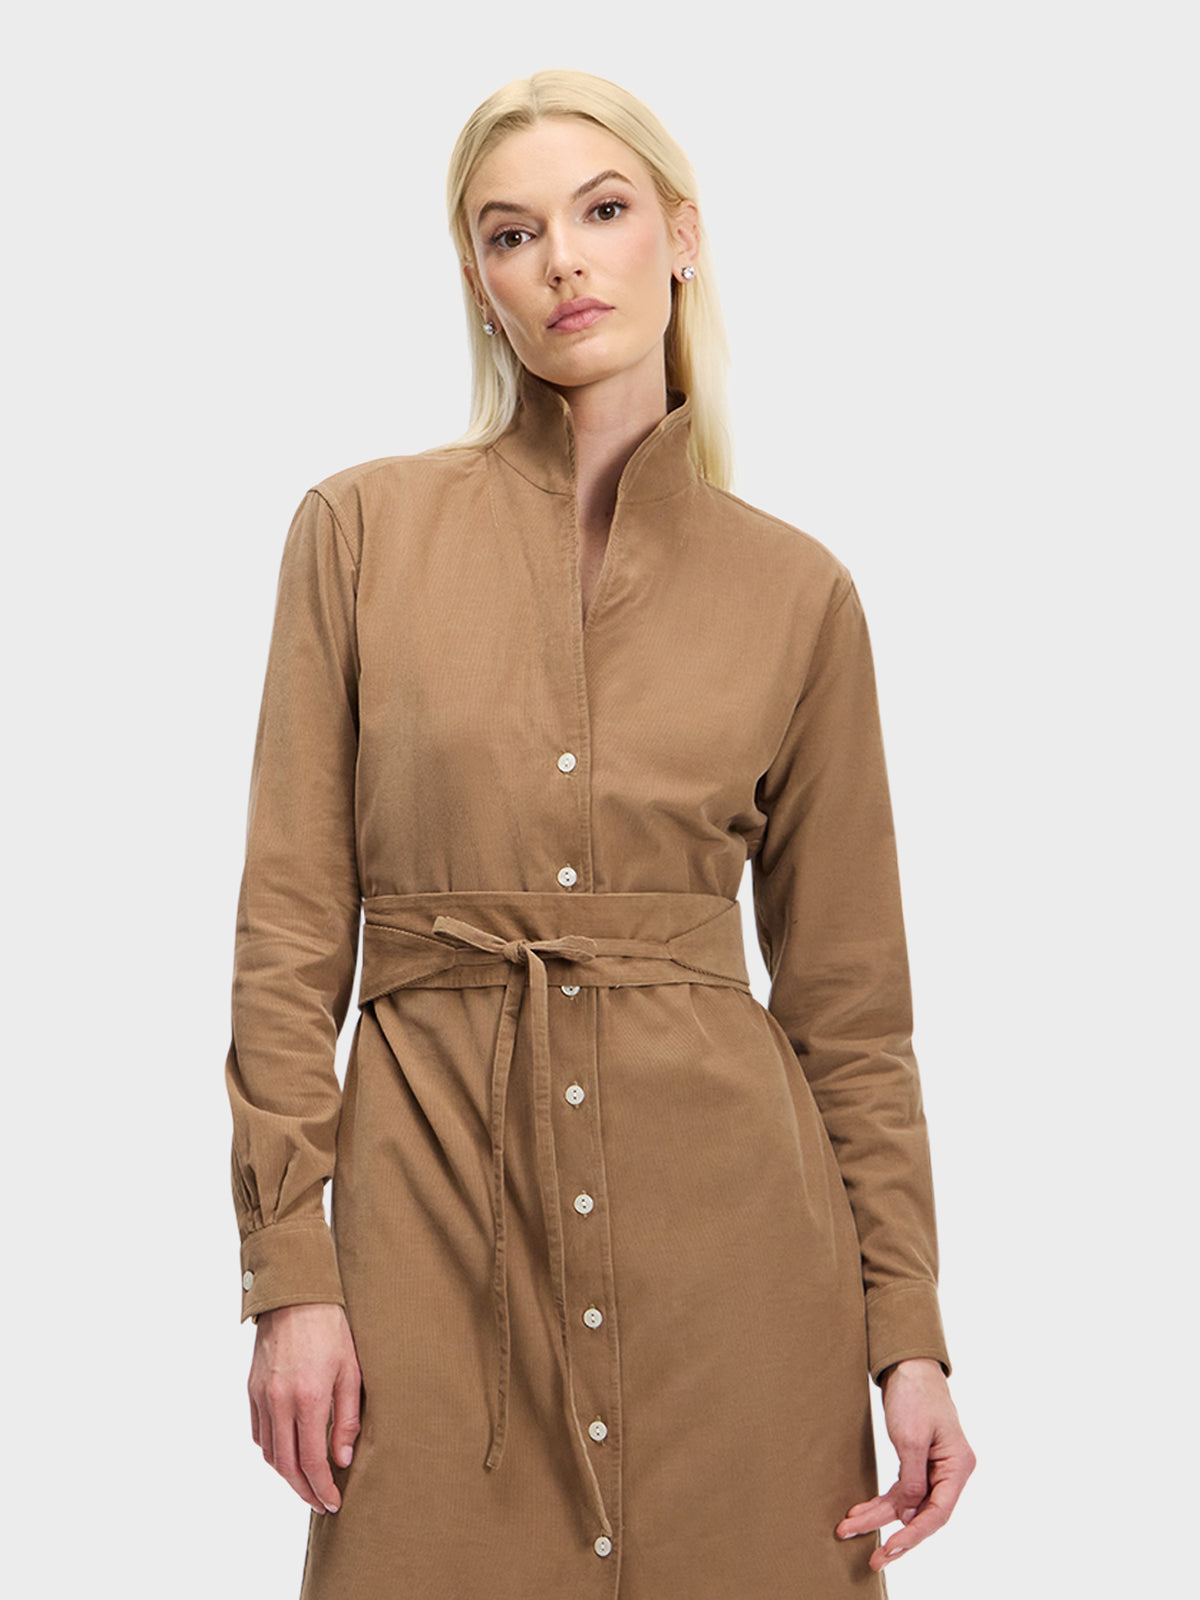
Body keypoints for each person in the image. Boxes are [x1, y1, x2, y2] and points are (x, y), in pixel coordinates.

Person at [224, 67, 975, 1600]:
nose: (562, 260)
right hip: (434, 1248)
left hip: (740, 1282)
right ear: (479, 283)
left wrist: (907, 1338)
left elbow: (851, 1013)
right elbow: (289, 942)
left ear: (680, 237)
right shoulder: (357, 536)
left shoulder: (799, 595)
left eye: (603, 210)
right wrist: (291, 1276)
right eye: (512, 234)